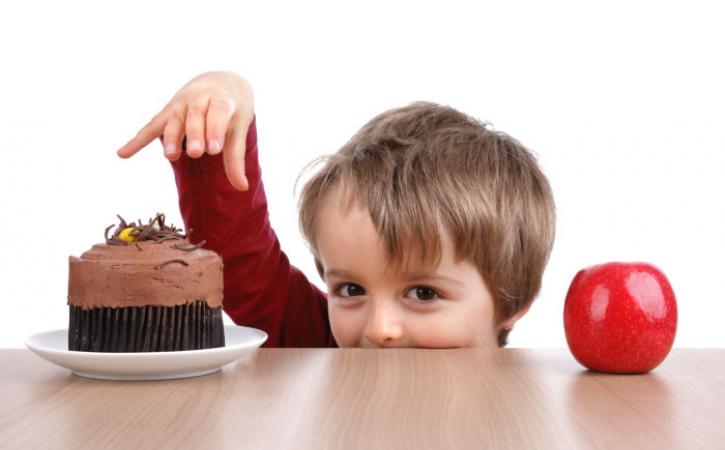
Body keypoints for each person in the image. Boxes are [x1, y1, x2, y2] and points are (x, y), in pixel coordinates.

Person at [116, 70, 556, 348]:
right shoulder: (320, 340)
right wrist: (217, 125)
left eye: (423, 293)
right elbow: (243, 265)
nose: (380, 329)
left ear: (511, 300)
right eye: (350, 291)